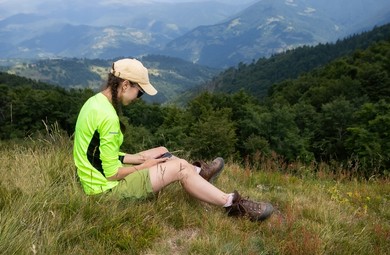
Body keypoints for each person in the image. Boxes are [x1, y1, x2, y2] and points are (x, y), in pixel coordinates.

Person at [73, 58, 273, 222]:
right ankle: (232, 205)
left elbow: (96, 153)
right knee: (178, 168)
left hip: (92, 178)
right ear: (125, 85)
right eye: (139, 93)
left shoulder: (95, 102)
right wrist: (146, 165)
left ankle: (198, 173)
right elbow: (111, 175)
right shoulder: (108, 118)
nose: (137, 98)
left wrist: (137, 158)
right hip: (104, 191)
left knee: (162, 150)